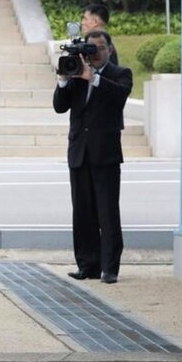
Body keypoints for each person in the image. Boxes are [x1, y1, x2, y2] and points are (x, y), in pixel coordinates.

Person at [53, 30, 132, 284]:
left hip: (105, 154)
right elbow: (59, 106)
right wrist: (64, 80)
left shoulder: (120, 74)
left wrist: (94, 78)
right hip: (79, 152)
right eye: (90, 48)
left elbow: (118, 98)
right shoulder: (76, 73)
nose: (94, 53)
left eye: (99, 48)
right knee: (82, 212)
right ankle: (87, 264)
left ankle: (109, 267)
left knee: (107, 213)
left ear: (109, 49)